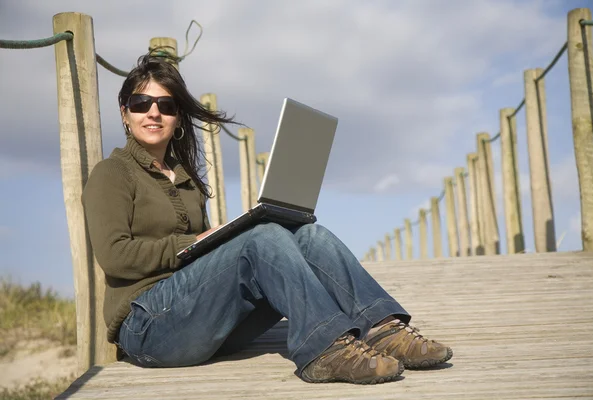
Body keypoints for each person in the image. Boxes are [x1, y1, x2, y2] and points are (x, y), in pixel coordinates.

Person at [82, 53, 452, 385]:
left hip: (202, 321)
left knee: (308, 235)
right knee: (260, 238)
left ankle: (383, 329)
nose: (153, 112)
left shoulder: (185, 178)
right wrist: (192, 244)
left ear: (178, 116)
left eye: (165, 104)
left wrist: (219, 239)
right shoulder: (113, 173)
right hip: (150, 328)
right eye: (141, 103)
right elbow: (114, 256)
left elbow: (201, 267)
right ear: (124, 112)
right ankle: (324, 349)